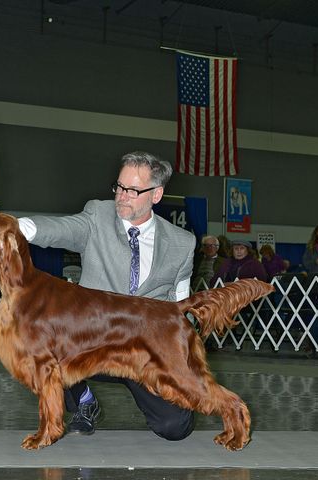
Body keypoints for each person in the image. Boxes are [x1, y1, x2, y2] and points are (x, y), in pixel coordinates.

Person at [18, 151, 196, 441]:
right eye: (120, 187)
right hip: (92, 345)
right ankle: (84, 400)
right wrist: (18, 228)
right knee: (41, 345)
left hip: (145, 352)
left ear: (157, 194)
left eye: (133, 190)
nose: (122, 196)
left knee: (174, 428)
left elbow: (181, 306)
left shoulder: (182, 243)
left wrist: (182, 360)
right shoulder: (97, 216)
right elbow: (62, 229)